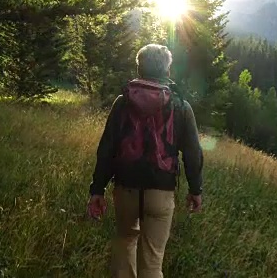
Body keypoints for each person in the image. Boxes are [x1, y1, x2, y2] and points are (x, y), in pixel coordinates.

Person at [87, 43, 204, 278]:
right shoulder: (181, 106)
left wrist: (97, 189)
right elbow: (193, 153)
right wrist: (195, 189)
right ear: (167, 71)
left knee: (125, 242)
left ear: (139, 69)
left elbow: (107, 149)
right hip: (160, 191)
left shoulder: (123, 103)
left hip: (126, 188)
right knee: (151, 262)